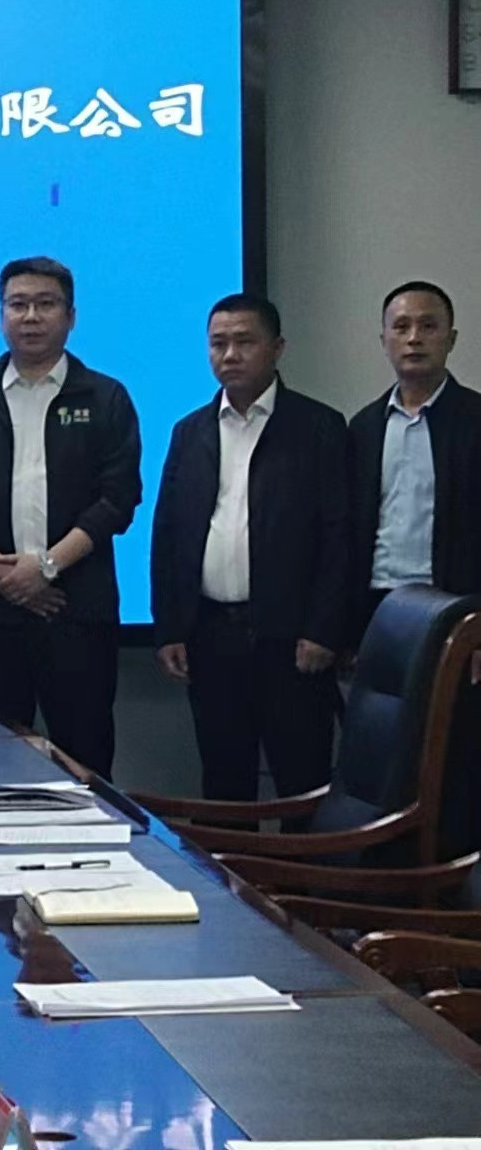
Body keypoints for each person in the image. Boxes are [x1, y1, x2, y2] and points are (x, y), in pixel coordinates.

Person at [0, 257, 141, 780]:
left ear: (71, 316)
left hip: (78, 609)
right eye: (18, 305)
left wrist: (46, 567)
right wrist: (2, 573)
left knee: (85, 756)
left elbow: (118, 499)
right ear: (0, 315)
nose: (31, 317)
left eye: (45, 304)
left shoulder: (106, 397)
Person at [150, 294, 347, 802]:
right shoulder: (189, 431)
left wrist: (323, 629)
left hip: (291, 641)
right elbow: (168, 535)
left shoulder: (319, 427)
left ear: (277, 348)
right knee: (223, 781)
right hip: (211, 635)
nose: (230, 354)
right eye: (218, 343)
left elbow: (339, 538)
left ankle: (303, 862)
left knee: (302, 780)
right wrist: (169, 628)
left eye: (244, 342)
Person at [348, 281, 481, 647]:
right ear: (384, 341)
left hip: (457, 606)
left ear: (451, 339)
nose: (414, 338)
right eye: (401, 327)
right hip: (377, 605)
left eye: (428, 326)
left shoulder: (475, 420)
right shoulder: (363, 427)